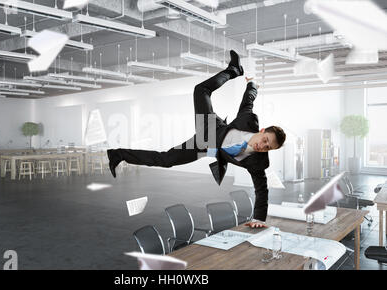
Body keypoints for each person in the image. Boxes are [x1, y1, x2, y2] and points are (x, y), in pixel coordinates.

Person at [107, 50, 286, 228]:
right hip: (210, 127)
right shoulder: (249, 120)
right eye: (265, 140)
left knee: (166, 160)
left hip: (204, 146)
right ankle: (233, 70)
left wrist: (259, 219)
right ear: (262, 131)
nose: (263, 146)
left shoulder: (258, 162)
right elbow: (249, 100)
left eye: (269, 147)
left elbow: (262, 190)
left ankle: (118, 154)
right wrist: (252, 84)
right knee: (201, 90)